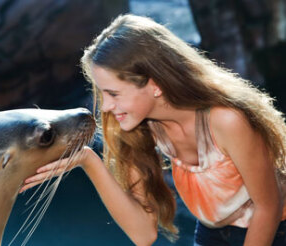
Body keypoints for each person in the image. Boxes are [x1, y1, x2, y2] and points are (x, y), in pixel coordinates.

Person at [19, 14, 286, 246]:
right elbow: (143, 235)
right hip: (212, 234)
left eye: (114, 93)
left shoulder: (226, 121)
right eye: (103, 93)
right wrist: (89, 161)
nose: (107, 107)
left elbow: (268, 206)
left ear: (155, 84)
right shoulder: (138, 128)